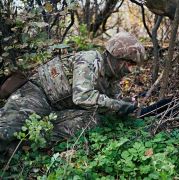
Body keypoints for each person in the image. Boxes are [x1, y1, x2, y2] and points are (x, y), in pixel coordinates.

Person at [0, 31, 146, 152]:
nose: (130, 69)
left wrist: (124, 106)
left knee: (91, 121)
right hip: (36, 95)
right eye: (129, 63)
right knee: (4, 132)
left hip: (55, 111)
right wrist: (116, 104)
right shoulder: (89, 60)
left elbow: (110, 107)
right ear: (117, 57)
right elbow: (82, 96)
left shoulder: (111, 80)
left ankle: (23, 146)